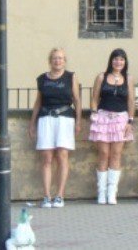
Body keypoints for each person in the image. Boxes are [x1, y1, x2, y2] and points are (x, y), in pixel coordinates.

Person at [28, 48, 81, 208]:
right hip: (45, 119)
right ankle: (47, 196)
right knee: (46, 158)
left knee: (62, 156)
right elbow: (38, 102)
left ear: (65, 61)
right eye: (55, 58)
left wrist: (78, 121)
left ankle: (59, 195)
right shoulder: (42, 79)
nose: (57, 61)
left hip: (65, 119)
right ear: (50, 60)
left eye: (61, 58)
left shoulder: (70, 77)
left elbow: (77, 100)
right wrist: (32, 123)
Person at [88, 48, 135, 205]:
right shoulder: (101, 77)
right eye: (115, 59)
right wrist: (94, 113)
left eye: (121, 59)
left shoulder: (128, 78)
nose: (118, 62)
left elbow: (130, 102)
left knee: (116, 155)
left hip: (120, 119)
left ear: (125, 62)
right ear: (111, 61)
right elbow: (94, 98)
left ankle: (112, 192)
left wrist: (130, 121)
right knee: (103, 154)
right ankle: (101, 192)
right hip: (103, 118)